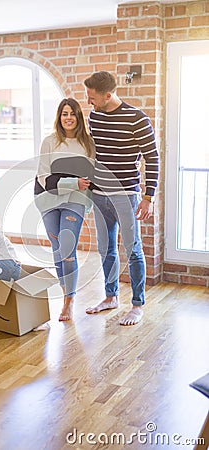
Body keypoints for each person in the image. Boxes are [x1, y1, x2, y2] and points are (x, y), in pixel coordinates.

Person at [83, 71, 159, 326]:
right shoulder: (94, 116)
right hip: (99, 195)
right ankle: (111, 296)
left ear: (108, 95)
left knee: (133, 249)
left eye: (92, 97)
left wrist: (149, 197)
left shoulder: (137, 118)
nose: (89, 102)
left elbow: (153, 158)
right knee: (106, 249)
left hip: (126, 195)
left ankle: (137, 305)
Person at [34, 98, 95, 322]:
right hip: (48, 200)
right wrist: (72, 182)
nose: (68, 118)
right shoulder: (49, 142)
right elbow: (43, 177)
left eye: (73, 114)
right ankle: (64, 293)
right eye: (64, 113)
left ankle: (69, 301)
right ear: (59, 117)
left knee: (67, 249)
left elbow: (90, 176)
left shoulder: (88, 143)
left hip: (75, 200)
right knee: (58, 249)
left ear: (79, 117)